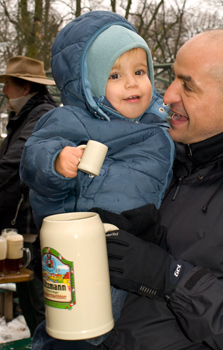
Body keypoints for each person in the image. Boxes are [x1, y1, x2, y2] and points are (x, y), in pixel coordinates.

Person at [99, 28, 223, 349]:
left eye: (187, 85)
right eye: (172, 78)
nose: (168, 95)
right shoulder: (167, 156)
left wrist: (171, 278)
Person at [19, 11, 174, 347]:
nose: (133, 83)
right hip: (87, 244)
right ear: (87, 85)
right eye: (114, 75)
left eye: (140, 71)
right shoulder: (72, 120)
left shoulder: (160, 122)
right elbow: (33, 158)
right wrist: (57, 162)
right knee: (79, 324)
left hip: (141, 243)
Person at [0, 55, 57, 336]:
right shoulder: (24, 115)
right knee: (28, 295)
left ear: (24, 88)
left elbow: (12, 164)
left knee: (40, 302)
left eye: (7, 85)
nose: (3, 91)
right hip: (21, 223)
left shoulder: (41, 115)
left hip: (33, 222)